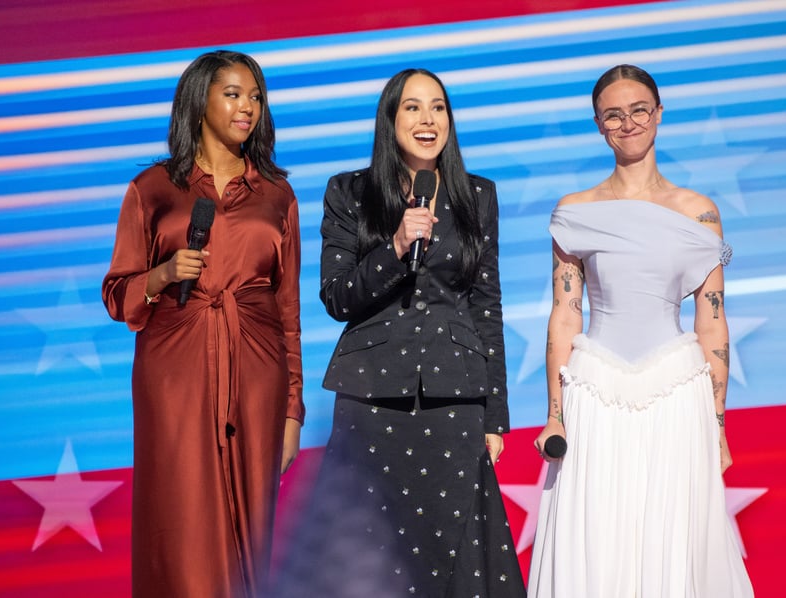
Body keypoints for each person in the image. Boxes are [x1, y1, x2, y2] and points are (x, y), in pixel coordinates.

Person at [274, 68, 526, 597]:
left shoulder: (478, 195)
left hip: (454, 399)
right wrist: (392, 248)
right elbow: (337, 297)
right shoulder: (349, 192)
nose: (427, 119)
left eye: (438, 107)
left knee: (455, 555)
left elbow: (486, 304)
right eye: (412, 107)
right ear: (390, 120)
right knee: (368, 548)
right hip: (371, 398)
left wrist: (496, 415)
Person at [528, 64, 754, 597]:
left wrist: (718, 426)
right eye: (613, 114)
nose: (627, 123)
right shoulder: (575, 211)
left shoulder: (700, 213)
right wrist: (555, 415)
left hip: (676, 390)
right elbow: (565, 314)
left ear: (658, 115)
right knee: (595, 533)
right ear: (599, 125)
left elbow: (712, 321)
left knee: (675, 533)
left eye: (638, 111)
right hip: (594, 390)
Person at [102, 50, 304, 597]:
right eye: (234, 93)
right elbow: (118, 295)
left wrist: (292, 409)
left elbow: (289, 312)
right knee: (183, 522)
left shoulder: (277, 195)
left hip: (258, 374)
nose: (248, 108)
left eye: (256, 96)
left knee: (253, 533)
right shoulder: (152, 189)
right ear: (199, 102)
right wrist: (162, 274)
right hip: (175, 374)